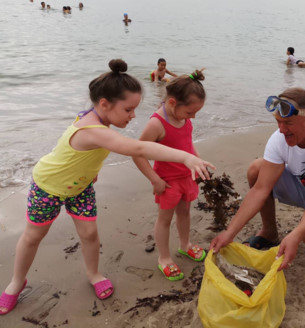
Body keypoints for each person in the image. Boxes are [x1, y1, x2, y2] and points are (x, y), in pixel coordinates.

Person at [0, 60, 214, 315]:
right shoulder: (93, 129)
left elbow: (84, 153)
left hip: (80, 187)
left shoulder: (101, 119)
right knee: (34, 236)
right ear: (104, 104)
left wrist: (90, 171)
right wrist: (186, 157)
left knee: (90, 234)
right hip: (48, 186)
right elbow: (137, 148)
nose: (133, 115)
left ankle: (93, 273)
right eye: (128, 109)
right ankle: (15, 283)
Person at [210, 88, 305, 271]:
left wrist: (295, 237)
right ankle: (269, 232)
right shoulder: (279, 138)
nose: (282, 130)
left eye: (288, 122)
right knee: (257, 170)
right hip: (304, 188)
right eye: (278, 122)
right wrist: (229, 233)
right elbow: (260, 190)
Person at [133, 69, 207, 281]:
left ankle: (185, 245)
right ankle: (164, 258)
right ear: (173, 103)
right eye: (190, 113)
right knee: (164, 219)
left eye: (195, 113)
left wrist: (198, 162)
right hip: (167, 181)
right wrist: (154, 180)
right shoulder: (156, 123)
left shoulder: (183, 117)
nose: (192, 117)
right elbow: (138, 154)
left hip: (186, 176)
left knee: (185, 212)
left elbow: (187, 143)